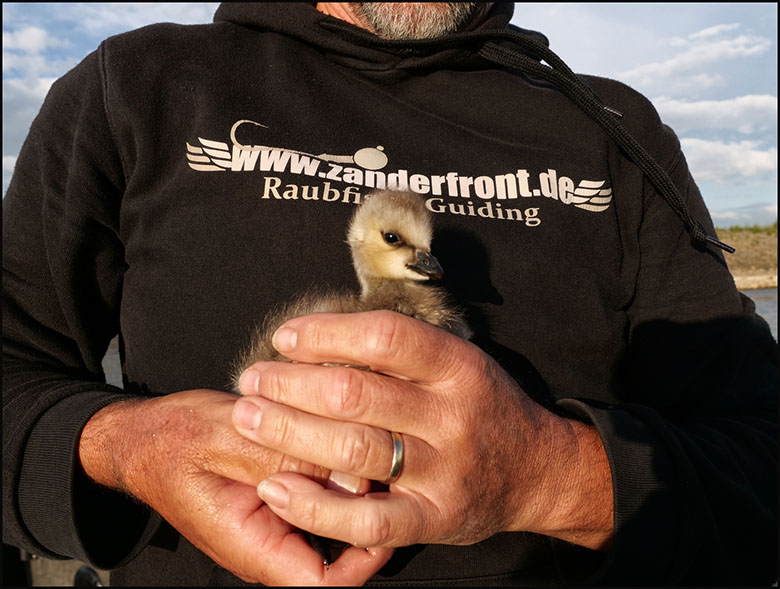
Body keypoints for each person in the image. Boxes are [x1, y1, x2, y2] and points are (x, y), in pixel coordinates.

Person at [2, 2, 776, 586]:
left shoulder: (615, 133)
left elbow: (763, 459)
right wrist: (130, 447)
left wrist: (545, 475)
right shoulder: (135, 88)